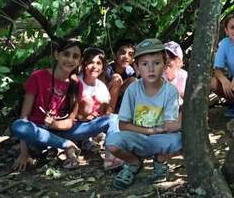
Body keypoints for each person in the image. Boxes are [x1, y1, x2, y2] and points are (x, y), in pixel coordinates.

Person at [10, 38, 118, 171]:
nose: (70, 60)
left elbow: (70, 122)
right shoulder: (38, 77)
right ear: (57, 55)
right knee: (18, 126)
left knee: (113, 119)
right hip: (39, 132)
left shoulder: (76, 83)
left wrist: (54, 124)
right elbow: (24, 118)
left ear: (79, 61)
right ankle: (66, 145)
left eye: (75, 56)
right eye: (66, 54)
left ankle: (113, 159)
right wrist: (23, 153)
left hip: (64, 130)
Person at [106, 39, 182, 189]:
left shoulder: (170, 91)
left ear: (165, 64)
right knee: (112, 142)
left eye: (156, 63)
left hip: (160, 138)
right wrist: (150, 130)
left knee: (183, 140)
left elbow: (170, 124)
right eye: (145, 64)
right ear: (137, 67)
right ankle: (134, 163)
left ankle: (160, 161)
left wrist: (181, 119)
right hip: (138, 137)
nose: (151, 69)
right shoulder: (133, 89)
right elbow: (123, 125)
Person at [76, 47, 122, 170]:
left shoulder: (101, 86)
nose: (94, 66)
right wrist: (83, 116)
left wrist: (103, 112)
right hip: (77, 124)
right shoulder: (77, 82)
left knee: (114, 118)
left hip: (92, 125)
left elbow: (105, 109)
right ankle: (83, 142)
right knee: (87, 101)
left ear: (103, 67)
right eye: (90, 62)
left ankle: (112, 159)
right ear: (83, 64)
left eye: (98, 63)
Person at [106, 40, 137, 113]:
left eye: (130, 54)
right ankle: (108, 114)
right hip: (104, 102)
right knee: (117, 78)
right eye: (123, 53)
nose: (126, 57)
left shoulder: (130, 71)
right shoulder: (107, 70)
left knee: (133, 81)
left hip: (119, 103)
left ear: (133, 59)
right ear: (114, 54)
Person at [162, 41, 187, 106]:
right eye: (163, 58)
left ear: (178, 61)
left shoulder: (184, 77)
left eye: (170, 58)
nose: (166, 61)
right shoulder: (157, 75)